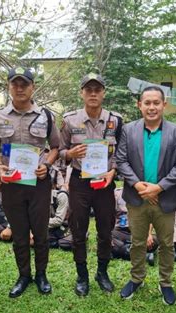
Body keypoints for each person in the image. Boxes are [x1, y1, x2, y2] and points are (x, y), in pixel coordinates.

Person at [0, 68, 60, 298]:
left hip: (39, 183)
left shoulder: (46, 116)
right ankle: (23, 275)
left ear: (33, 87)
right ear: (9, 87)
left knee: (40, 233)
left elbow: (56, 147)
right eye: (15, 84)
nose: (19, 88)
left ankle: (41, 274)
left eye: (24, 84)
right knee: (19, 234)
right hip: (11, 184)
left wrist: (46, 165)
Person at [116, 86, 176, 305]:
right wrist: (139, 185)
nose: (151, 107)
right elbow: (121, 161)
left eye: (156, 102)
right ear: (139, 105)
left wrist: (158, 188)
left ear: (164, 105)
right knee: (138, 242)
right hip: (137, 198)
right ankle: (136, 278)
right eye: (147, 103)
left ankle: (165, 282)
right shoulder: (128, 130)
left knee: (166, 243)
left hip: (164, 199)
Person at [59, 73, 123, 297]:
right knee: (78, 229)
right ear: (82, 93)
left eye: (97, 89)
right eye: (89, 89)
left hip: (105, 181)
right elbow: (59, 151)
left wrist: (113, 171)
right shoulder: (69, 120)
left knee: (106, 229)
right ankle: (82, 275)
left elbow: (120, 153)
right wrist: (70, 153)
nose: (93, 93)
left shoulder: (116, 120)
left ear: (104, 93)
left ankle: (102, 272)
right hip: (80, 181)